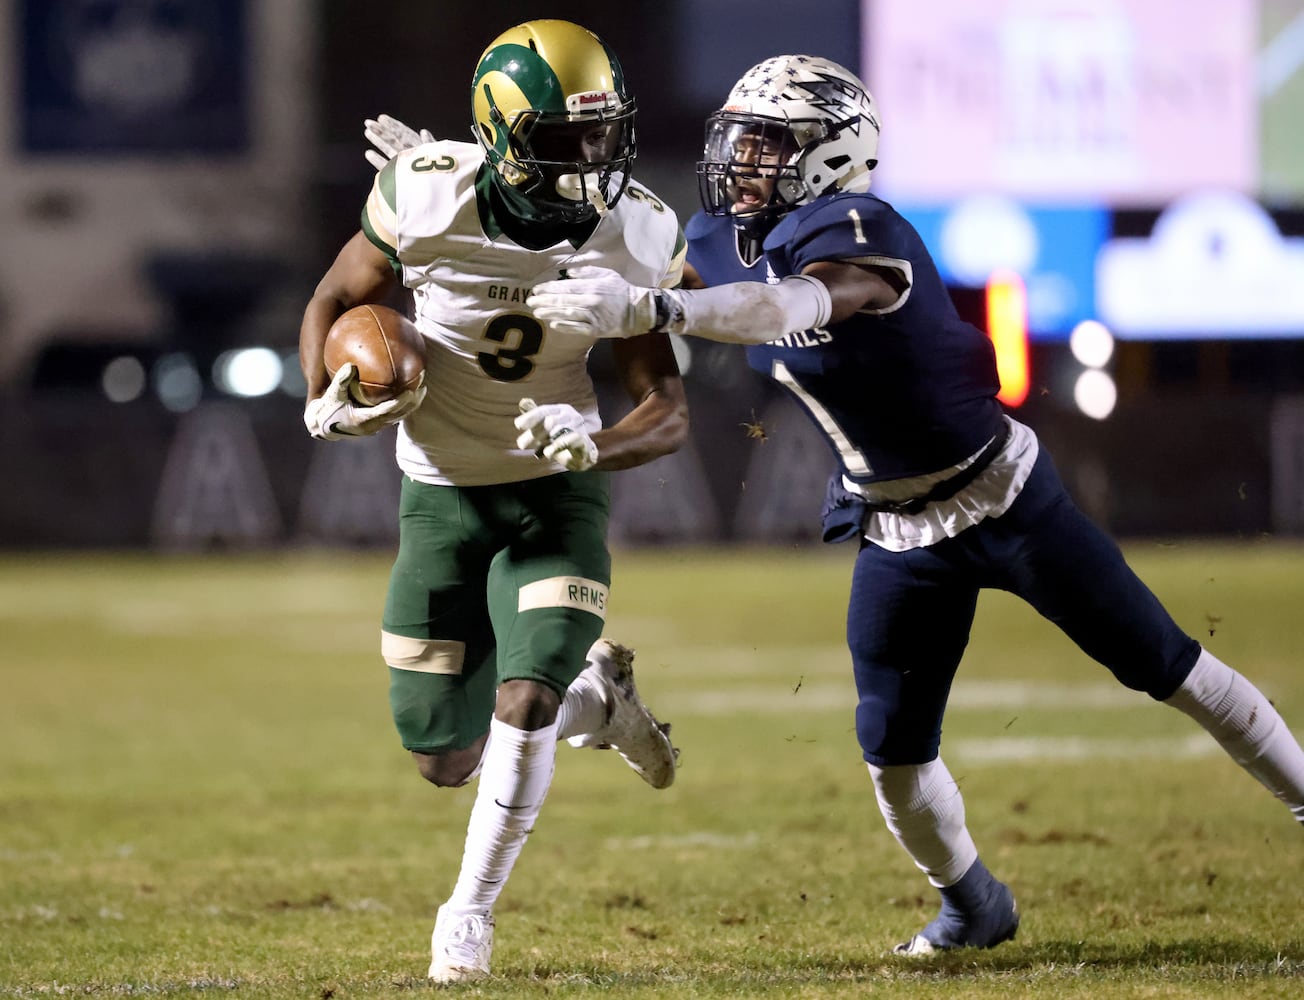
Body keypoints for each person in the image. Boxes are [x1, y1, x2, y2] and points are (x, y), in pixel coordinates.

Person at [523, 54, 1304, 955]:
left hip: (1004, 496)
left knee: (1168, 668)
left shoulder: (861, 225)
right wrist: (464, 190)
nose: (742, 160)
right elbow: (622, 253)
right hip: (896, 529)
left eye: (768, 143)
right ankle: (974, 905)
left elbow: (789, 306)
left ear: (829, 152)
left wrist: (657, 310)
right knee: (891, 749)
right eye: (739, 140)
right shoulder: (713, 236)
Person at [301, 19, 688, 983]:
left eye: (606, 137)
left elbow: (668, 409)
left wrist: (588, 446)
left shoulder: (631, 228)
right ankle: (600, 702)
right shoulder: (426, 199)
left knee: (522, 697)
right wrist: (324, 398)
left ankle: (466, 918)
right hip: (438, 498)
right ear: (506, 140)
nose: (595, 165)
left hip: (557, 495)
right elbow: (330, 302)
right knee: (444, 756)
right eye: (568, 143)